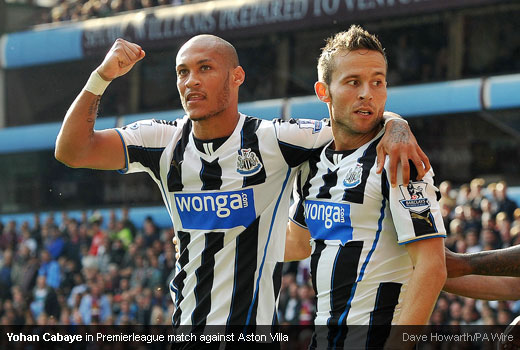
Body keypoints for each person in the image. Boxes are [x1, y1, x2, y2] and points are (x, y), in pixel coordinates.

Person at [55, 34, 428, 347]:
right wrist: (101, 77)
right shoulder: (160, 140)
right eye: (182, 72)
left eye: (205, 69)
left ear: (236, 77)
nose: (191, 81)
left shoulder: (275, 140)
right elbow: (72, 151)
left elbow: (351, 120)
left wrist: (396, 123)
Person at [284, 26, 447, 349]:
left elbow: (432, 267)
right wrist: (218, 237)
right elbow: (297, 244)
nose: (367, 93)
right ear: (323, 91)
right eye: (353, 82)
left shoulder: (398, 157)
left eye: (378, 81)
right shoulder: (311, 160)